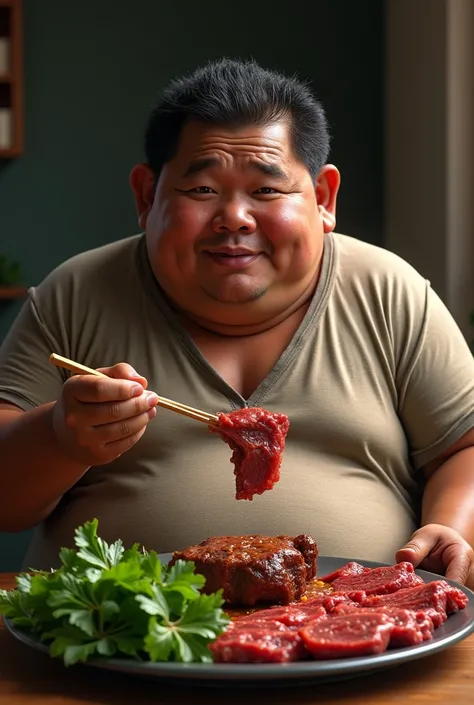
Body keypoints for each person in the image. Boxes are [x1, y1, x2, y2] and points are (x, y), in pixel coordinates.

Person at [0, 59, 473, 587]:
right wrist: (59, 436)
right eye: (202, 191)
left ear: (323, 198)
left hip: (360, 637)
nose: (235, 218)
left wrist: (449, 527)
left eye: (267, 191)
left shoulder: (389, 291)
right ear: (146, 196)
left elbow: (465, 448)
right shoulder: (77, 292)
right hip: (111, 644)